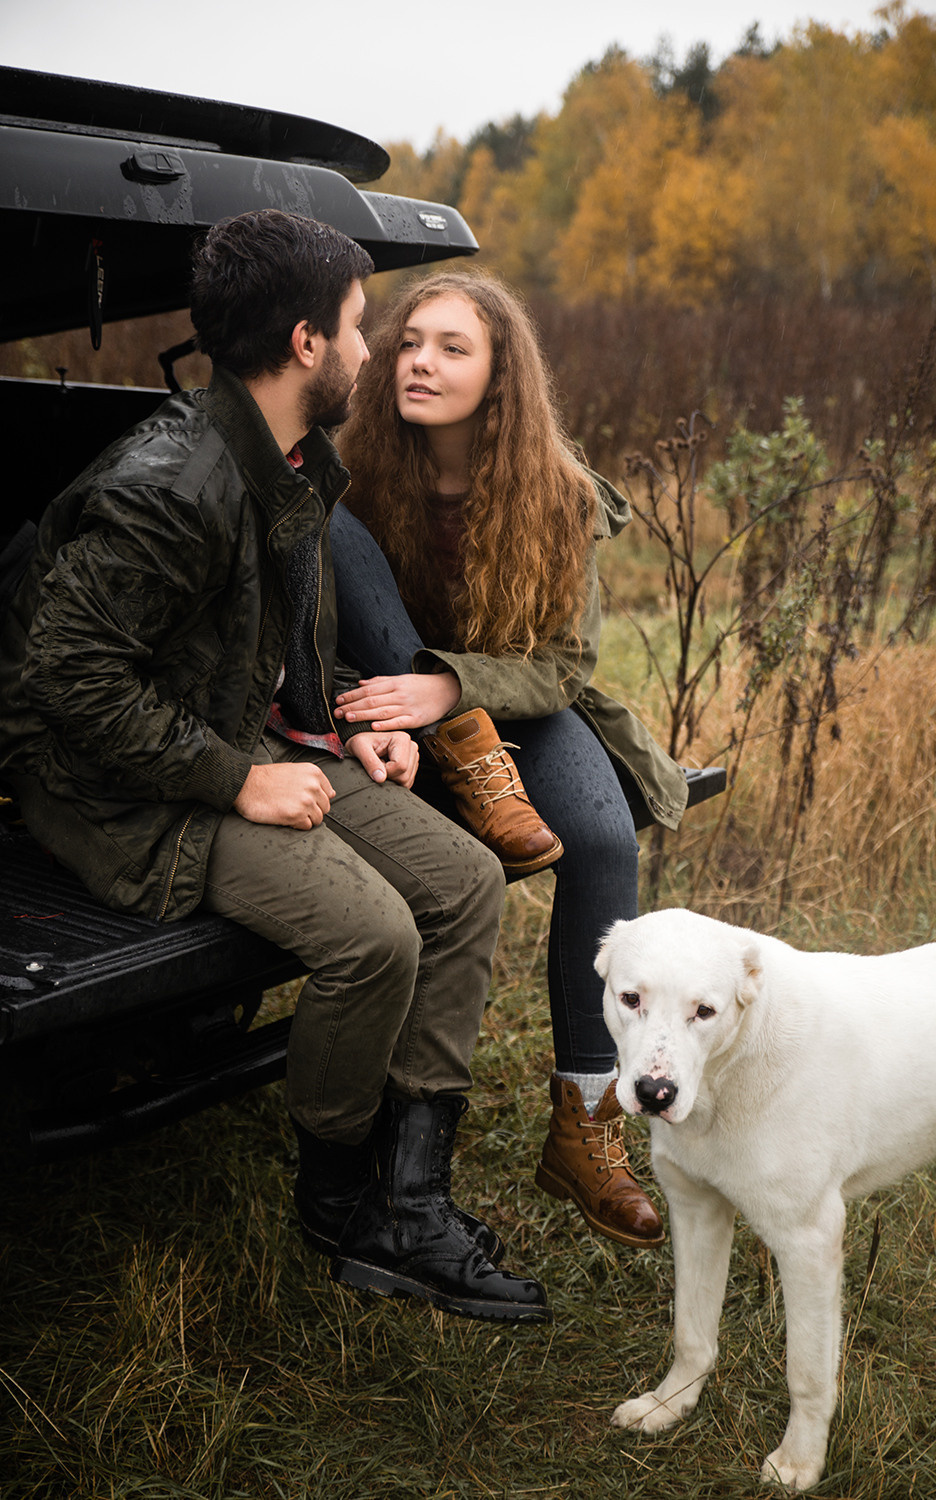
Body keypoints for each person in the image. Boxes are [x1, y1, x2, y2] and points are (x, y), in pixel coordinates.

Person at [0, 213, 549, 1324]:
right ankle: (336, 1195)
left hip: (230, 739)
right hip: (120, 792)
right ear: (305, 344)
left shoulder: (293, 458)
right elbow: (64, 680)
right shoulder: (173, 486)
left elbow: (276, 627)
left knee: (463, 885)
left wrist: (343, 721)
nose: (372, 350)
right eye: (358, 327)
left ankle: (409, 1200)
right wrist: (236, 779)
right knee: (373, 937)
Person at [332, 271, 691, 1249]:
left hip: (507, 702)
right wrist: (387, 709)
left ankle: (584, 1124)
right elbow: (314, 625)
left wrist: (450, 690)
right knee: (332, 526)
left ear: (500, 376)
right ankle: (377, 1127)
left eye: (453, 347)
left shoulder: (554, 487)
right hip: (385, 704)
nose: (419, 362)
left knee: (600, 836)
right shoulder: (351, 467)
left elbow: (564, 664)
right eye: (409, 342)